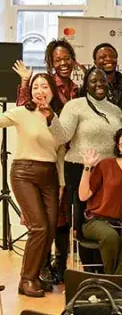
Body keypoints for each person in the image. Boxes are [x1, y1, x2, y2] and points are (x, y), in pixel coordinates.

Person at [47, 67, 122, 280]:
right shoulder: (75, 106)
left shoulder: (115, 110)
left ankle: (107, 272)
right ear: (86, 85)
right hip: (81, 169)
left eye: (103, 81)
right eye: (93, 81)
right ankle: (90, 274)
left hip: (108, 172)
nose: (99, 84)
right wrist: (49, 118)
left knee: (105, 220)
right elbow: (62, 136)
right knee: (83, 224)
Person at [2, 73, 64, 297]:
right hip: (24, 173)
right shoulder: (21, 113)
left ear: (52, 91)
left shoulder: (56, 116)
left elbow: (62, 144)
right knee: (38, 227)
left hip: (50, 176)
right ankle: (26, 279)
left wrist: (61, 184)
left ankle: (35, 275)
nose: (40, 91)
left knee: (49, 230)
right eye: (36, 87)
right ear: (30, 91)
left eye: (45, 87)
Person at [77, 127, 122, 274]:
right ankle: (112, 279)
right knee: (109, 236)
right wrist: (87, 167)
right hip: (96, 220)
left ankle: (118, 281)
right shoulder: (106, 165)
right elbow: (83, 196)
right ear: (118, 147)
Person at [14, 40, 80, 106]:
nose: (63, 63)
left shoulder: (76, 88)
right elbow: (24, 110)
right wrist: (25, 82)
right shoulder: (46, 84)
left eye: (67, 58)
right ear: (52, 63)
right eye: (58, 60)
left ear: (73, 60)